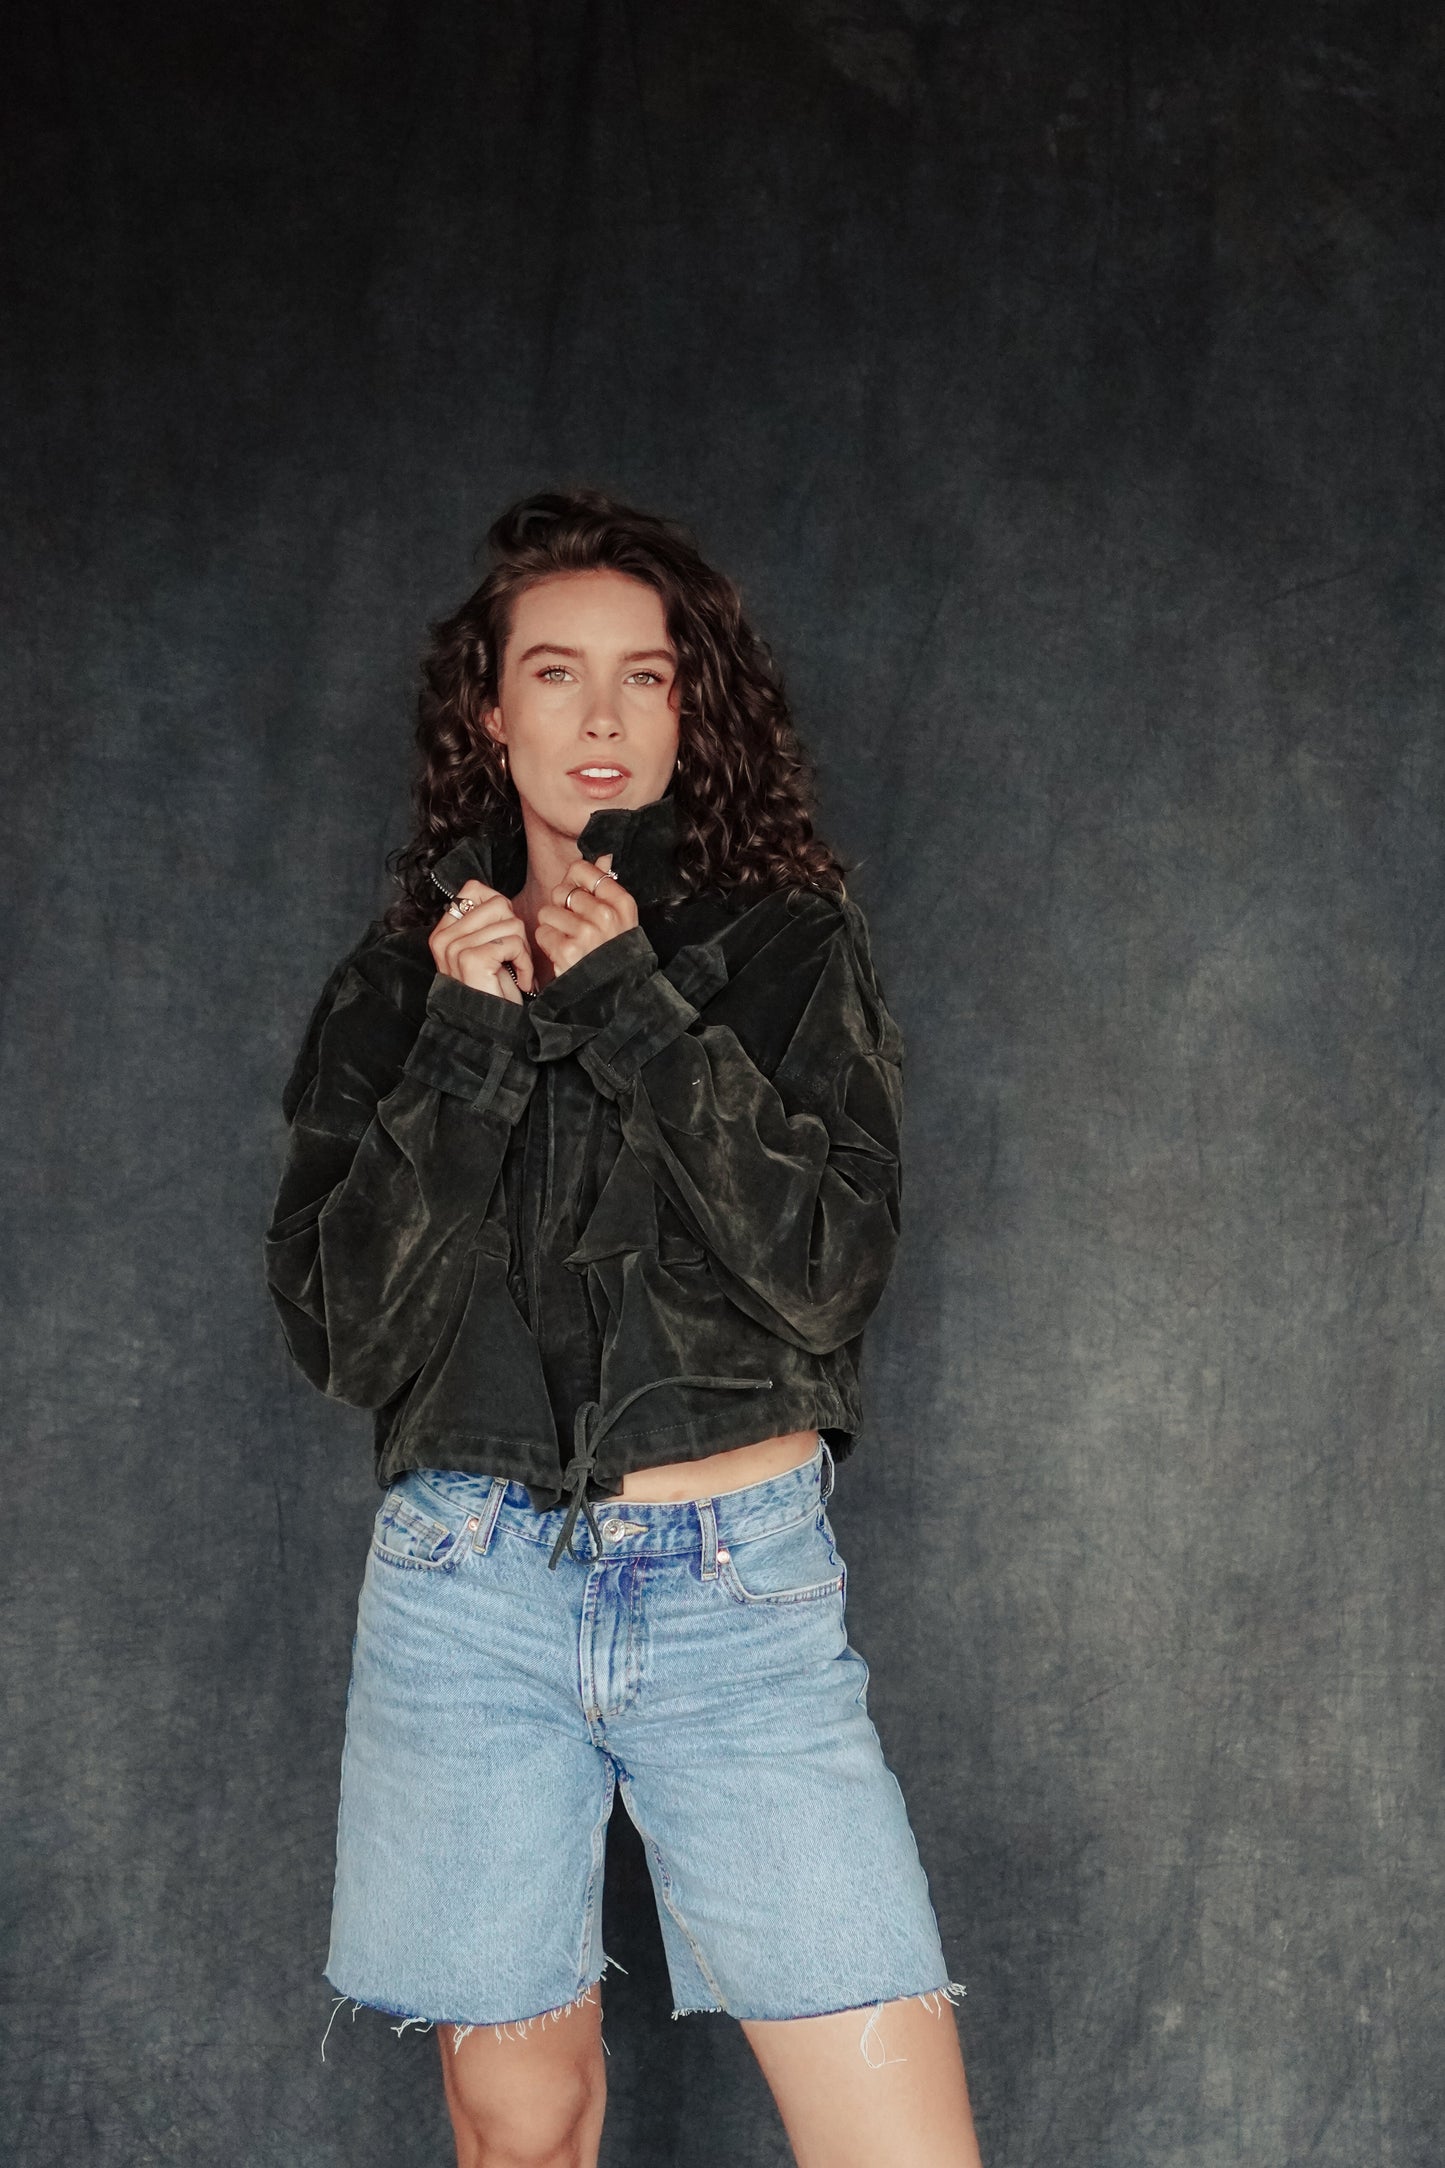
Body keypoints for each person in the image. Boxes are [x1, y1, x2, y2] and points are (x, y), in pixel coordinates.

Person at [264, 489, 985, 2168]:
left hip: (735, 1590)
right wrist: (463, 1045)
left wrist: (638, 1016)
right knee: (524, 2130)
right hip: (465, 1599)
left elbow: (822, 1271)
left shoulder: (782, 951)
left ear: (690, 710)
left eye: (645, 677)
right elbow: (347, 1339)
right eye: (555, 672)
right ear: (489, 710)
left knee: (896, 2148)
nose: (599, 717)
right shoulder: (395, 992)